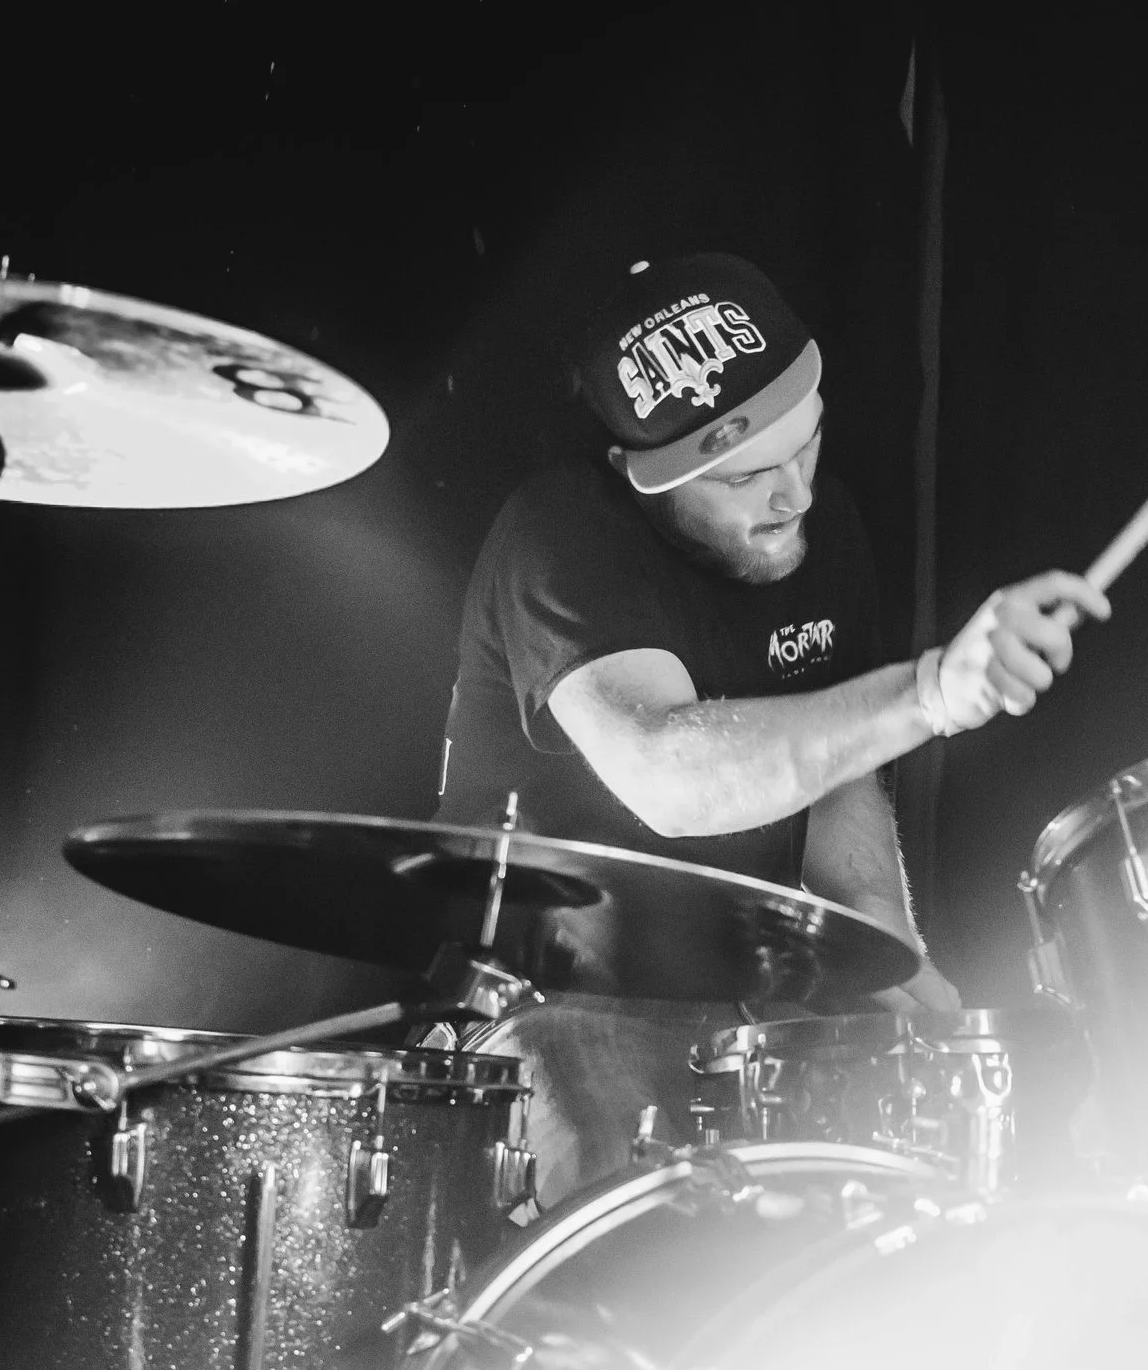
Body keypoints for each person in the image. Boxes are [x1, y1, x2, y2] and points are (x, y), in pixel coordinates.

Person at [436, 253, 1108, 1201]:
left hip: (746, 998)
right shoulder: (560, 534)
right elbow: (667, 776)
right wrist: (926, 693)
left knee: (925, 1196)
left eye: (808, 446)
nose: (795, 496)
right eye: (749, 476)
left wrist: (883, 942)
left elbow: (840, 771)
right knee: (640, 1230)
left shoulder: (821, 529)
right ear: (644, 475)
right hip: (552, 1000)